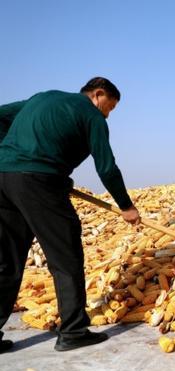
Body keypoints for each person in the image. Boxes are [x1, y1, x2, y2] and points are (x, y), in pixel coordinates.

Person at [0, 77, 140, 352]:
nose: (107, 114)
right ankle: (73, 331)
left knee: (7, 263)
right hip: (38, 183)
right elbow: (107, 167)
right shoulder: (91, 115)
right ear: (98, 94)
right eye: (109, 108)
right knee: (66, 257)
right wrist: (126, 206)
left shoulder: (42, 97)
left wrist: (8, 156)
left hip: (3, 181)